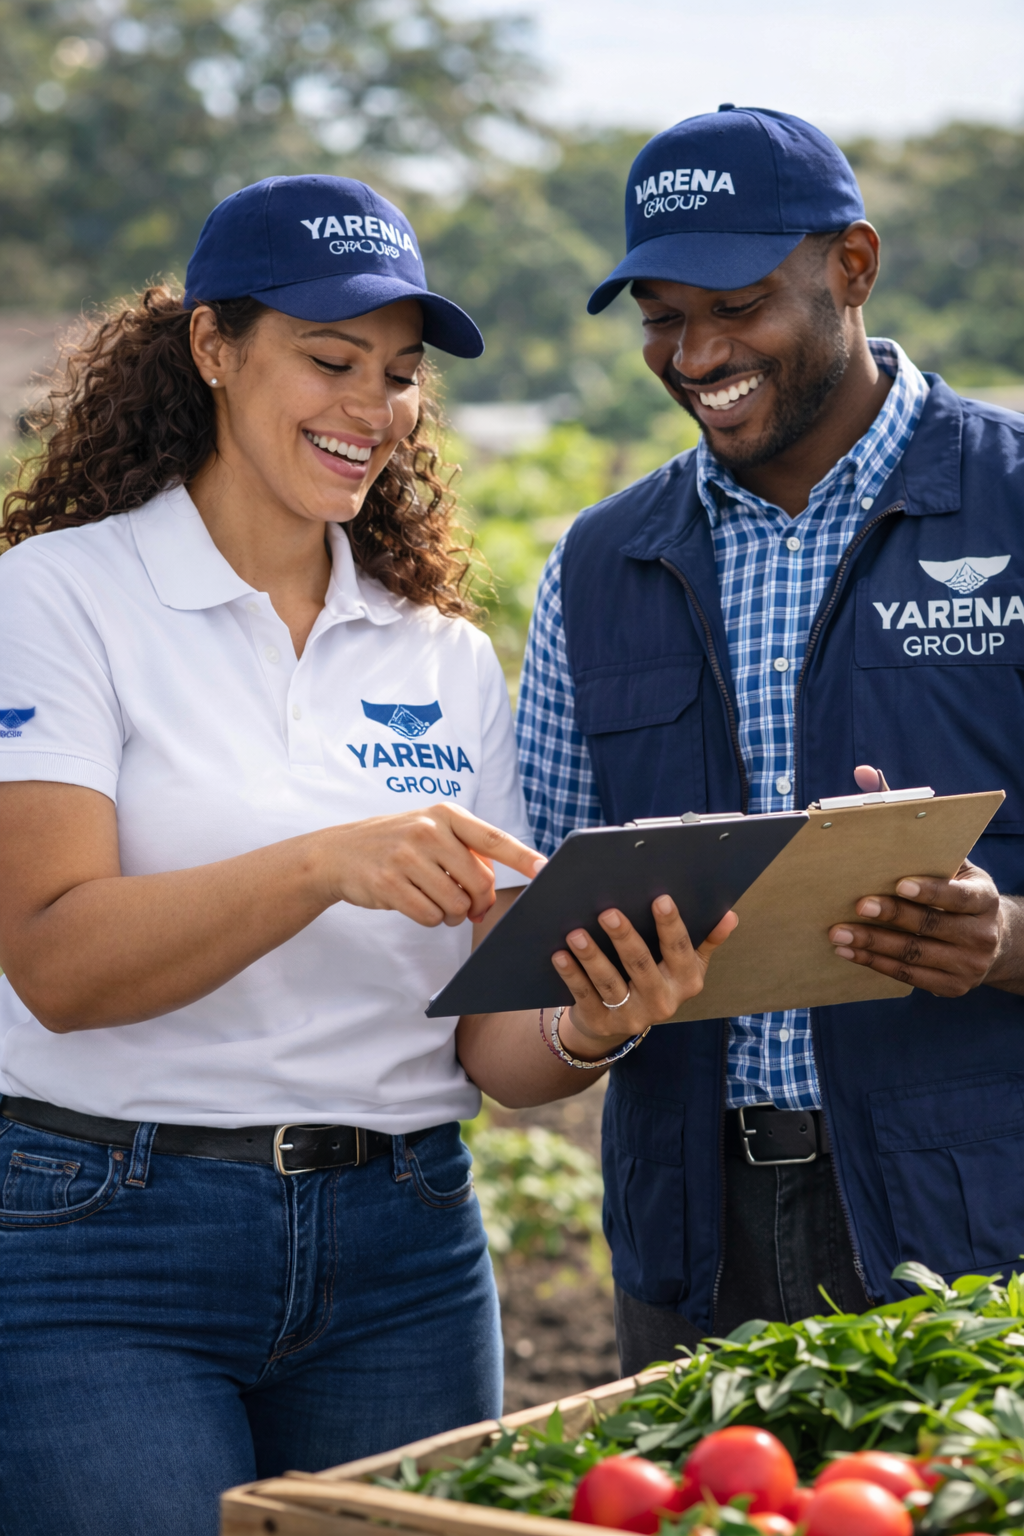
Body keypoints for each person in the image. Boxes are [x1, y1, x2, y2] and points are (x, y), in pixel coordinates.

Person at [0, 173, 730, 1536]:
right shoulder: (59, 598)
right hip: (105, 1240)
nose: (372, 408)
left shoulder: (440, 653)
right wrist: (320, 864)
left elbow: (496, 1055)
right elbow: (55, 964)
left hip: (405, 1253)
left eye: (398, 375)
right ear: (214, 349)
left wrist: (595, 1022)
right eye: (329, 361)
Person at [508, 106, 1024, 1375]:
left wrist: (1004, 936)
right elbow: (530, 922)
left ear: (851, 266)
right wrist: (590, 989)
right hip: (694, 1233)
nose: (695, 353)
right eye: (661, 318)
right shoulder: (598, 565)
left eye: (735, 304)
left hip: (975, 1228)